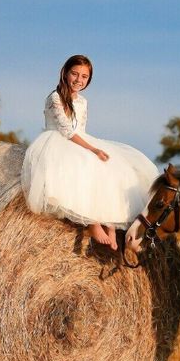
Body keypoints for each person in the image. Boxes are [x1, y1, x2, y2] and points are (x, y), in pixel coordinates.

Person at [21, 55, 159, 250]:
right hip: (58, 142)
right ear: (65, 73)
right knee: (87, 162)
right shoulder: (55, 97)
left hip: (80, 140)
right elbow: (67, 131)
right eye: (75, 74)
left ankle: (110, 224)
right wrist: (93, 149)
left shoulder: (83, 102)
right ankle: (94, 223)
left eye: (84, 77)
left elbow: (81, 129)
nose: (79, 80)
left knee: (111, 165)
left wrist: (95, 149)